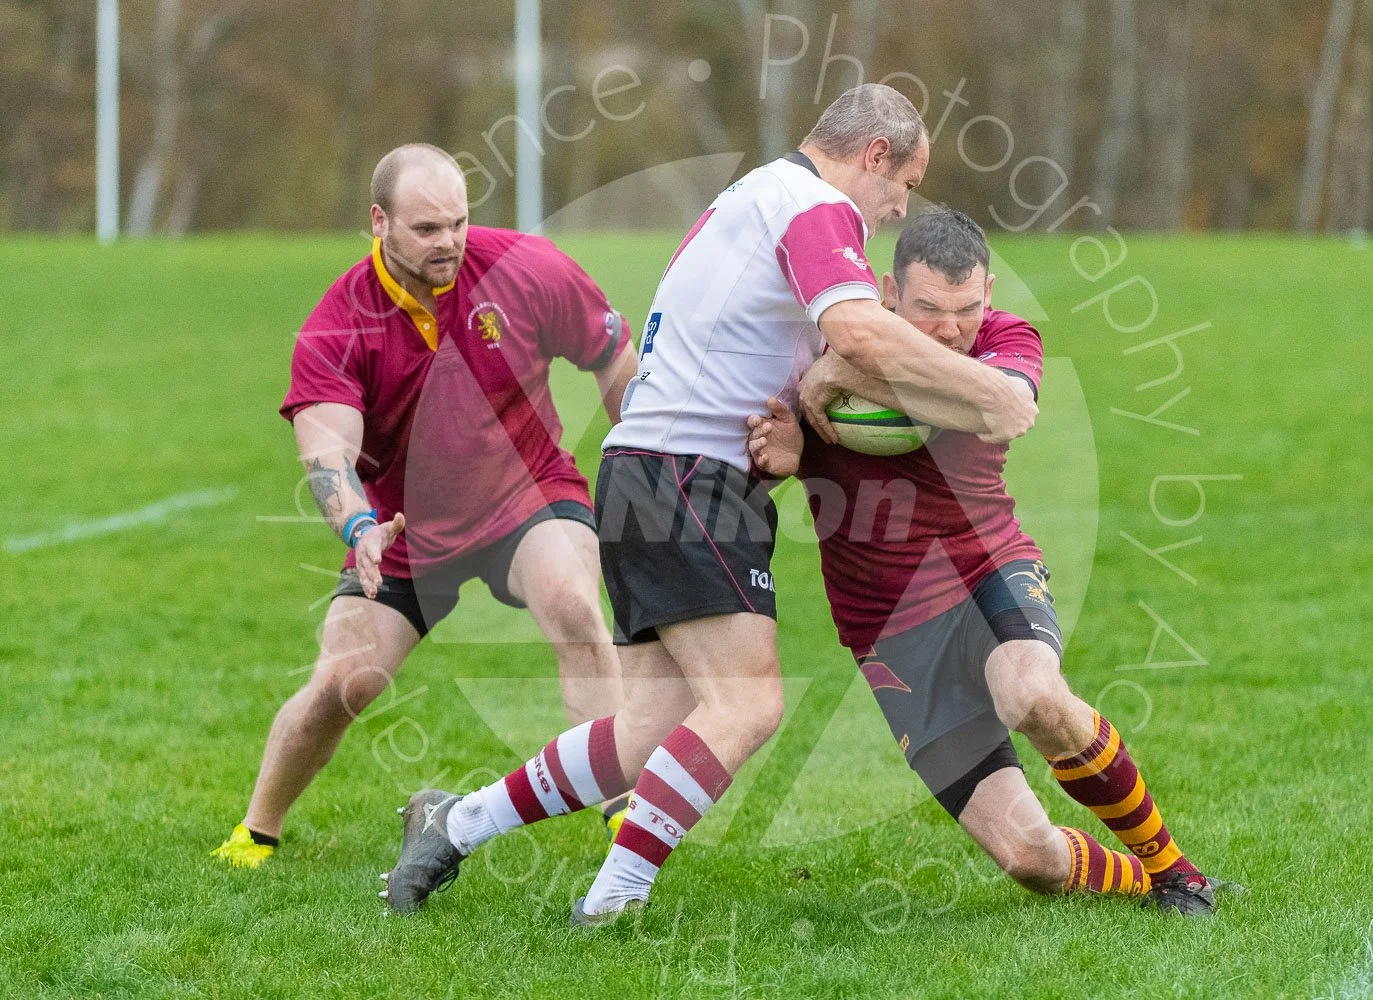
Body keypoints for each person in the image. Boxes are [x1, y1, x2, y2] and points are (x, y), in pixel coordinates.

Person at [378, 84, 1034, 922]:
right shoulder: (814, 206)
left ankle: (455, 821)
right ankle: (613, 899)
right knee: (748, 701)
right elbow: (862, 335)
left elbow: (807, 355)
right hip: (690, 473)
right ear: (874, 156)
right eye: (902, 187)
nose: (899, 209)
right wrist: (990, 394)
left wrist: (808, 406)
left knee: (648, 725)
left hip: (649, 467)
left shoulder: (756, 193)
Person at [746, 208, 1221, 914]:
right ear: (886, 294)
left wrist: (839, 375)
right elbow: (768, 446)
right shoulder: (821, 346)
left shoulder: (1005, 340)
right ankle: (1137, 880)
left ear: (990, 295)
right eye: (929, 309)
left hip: (984, 571)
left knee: (1030, 693)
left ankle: (1175, 871)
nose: (948, 330)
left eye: (966, 309)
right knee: (1030, 860)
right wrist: (781, 454)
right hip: (886, 628)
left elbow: (1004, 409)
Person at [211, 143, 636, 868]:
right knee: (343, 683)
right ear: (379, 222)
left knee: (572, 602)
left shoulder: (526, 268)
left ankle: (625, 813)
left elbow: (613, 356)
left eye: (458, 223)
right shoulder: (337, 323)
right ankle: (256, 832)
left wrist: (639, 464)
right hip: (404, 530)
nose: (449, 243)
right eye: (427, 229)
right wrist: (357, 525)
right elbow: (327, 454)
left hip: (526, 495)